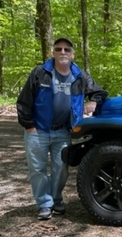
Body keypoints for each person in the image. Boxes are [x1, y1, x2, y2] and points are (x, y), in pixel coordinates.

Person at [16, 37, 108, 220]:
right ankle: (44, 204)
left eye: (67, 49)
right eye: (58, 49)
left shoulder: (80, 76)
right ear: (53, 53)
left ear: (73, 54)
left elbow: (99, 92)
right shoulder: (40, 73)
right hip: (38, 130)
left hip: (63, 131)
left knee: (61, 168)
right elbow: (24, 101)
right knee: (37, 169)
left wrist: (93, 102)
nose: (63, 52)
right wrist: (29, 126)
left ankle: (56, 199)